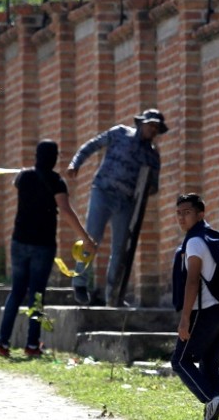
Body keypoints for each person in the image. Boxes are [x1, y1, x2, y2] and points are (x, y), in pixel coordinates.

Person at [0, 140, 96, 358]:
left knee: (16, 292)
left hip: (19, 242)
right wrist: (85, 238)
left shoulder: (24, 176)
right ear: (55, 157)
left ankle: (2, 344)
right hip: (43, 244)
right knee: (37, 295)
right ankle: (31, 345)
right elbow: (66, 211)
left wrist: (26, 171)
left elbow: (16, 183)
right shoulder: (56, 181)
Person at [67, 109, 168, 305]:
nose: (152, 130)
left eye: (156, 127)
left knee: (120, 248)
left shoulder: (153, 155)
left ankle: (113, 296)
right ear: (141, 123)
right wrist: (75, 163)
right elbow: (92, 145)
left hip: (126, 201)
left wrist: (146, 187)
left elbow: (153, 185)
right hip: (103, 192)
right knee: (91, 238)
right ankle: (80, 284)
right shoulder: (119, 133)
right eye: (150, 125)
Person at [171, 193, 219, 420]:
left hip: (204, 312)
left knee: (179, 361)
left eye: (187, 213)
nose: (181, 218)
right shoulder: (212, 237)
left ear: (200, 214)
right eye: (178, 213)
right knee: (209, 363)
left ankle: (211, 398)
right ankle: (212, 412)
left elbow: (193, 280)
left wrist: (185, 319)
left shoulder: (195, 241)